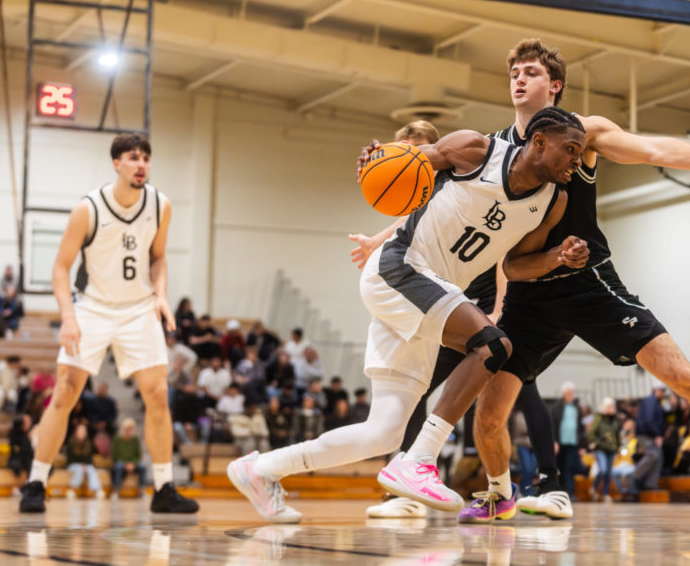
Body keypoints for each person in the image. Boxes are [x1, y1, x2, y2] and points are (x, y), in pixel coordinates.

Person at [458, 38, 690, 524]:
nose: (519, 79)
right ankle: (499, 494)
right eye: (514, 73)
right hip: (529, 290)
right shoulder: (497, 149)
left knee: (682, 376)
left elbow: (654, 148)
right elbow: (491, 242)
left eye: (531, 72)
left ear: (555, 84)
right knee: (489, 412)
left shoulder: (583, 133)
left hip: (591, 283)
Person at [226, 107, 589, 524]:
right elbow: (409, 163)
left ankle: (260, 470)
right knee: (493, 344)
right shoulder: (477, 149)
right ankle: (420, 460)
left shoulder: (552, 201)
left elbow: (515, 266)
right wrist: (377, 159)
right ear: (539, 143)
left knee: (382, 432)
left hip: (427, 294)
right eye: (571, 149)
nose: (577, 160)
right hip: (400, 268)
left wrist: (557, 257)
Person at [353, 119, 570, 521]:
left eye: (413, 148)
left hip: (486, 302)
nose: (409, 155)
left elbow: (506, 262)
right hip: (444, 299)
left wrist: (500, 309)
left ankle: (550, 482)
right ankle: (410, 479)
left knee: (521, 389)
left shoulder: (471, 177)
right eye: (402, 149)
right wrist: (375, 238)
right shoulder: (426, 193)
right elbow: (404, 220)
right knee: (420, 386)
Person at [18, 134, 197, 514]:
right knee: (65, 391)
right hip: (93, 308)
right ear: (117, 163)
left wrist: (161, 293)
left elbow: (159, 258)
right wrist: (68, 315)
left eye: (146, 158)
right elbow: (61, 267)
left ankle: (164, 489)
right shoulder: (88, 208)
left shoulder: (160, 205)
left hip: (137, 309)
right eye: (134, 157)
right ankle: (35, 482)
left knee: (158, 396)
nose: (142, 164)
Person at [550, 382, 585, 500]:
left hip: (573, 442)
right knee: (559, 467)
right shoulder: (556, 407)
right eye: (569, 393)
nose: (571, 395)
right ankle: (560, 492)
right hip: (560, 443)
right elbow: (553, 425)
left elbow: (580, 427)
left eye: (572, 393)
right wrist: (554, 441)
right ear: (563, 394)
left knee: (570, 467)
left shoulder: (577, 408)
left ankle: (570, 491)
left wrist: (582, 445)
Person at [65, 423, 103, 499]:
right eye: (80, 431)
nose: (82, 433)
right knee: (79, 470)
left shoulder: (88, 443)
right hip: (73, 464)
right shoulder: (71, 442)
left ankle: (97, 490)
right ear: (76, 432)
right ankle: (72, 489)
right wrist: (81, 464)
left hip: (86, 465)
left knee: (91, 469)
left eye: (84, 431)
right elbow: (70, 458)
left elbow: (90, 458)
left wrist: (85, 464)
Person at [111, 418, 145, 498]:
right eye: (128, 429)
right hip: (121, 462)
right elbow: (115, 455)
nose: (130, 431)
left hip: (133, 463)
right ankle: (117, 490)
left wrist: (133, 463)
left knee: (143, 467)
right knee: (118, 467)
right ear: (124, 429)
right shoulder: (117, 439)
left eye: (131, 429)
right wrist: (125, 464)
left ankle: (141, 490)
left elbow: (138, 455)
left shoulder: (135, 439)